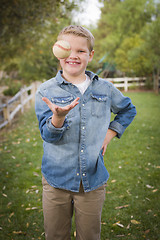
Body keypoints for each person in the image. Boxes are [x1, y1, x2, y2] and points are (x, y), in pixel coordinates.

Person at [35, 25, 136, 240]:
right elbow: (48, 135)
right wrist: (58, 117)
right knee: (55, 235)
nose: (73, 55)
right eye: (67, 49)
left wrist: (110, 133)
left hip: (92, 179)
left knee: (89, 235)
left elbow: (128, 109)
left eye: (81, 51)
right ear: (57, 51)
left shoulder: (105, 89)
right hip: (56, 181)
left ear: (90, 55)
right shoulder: (46, 91)